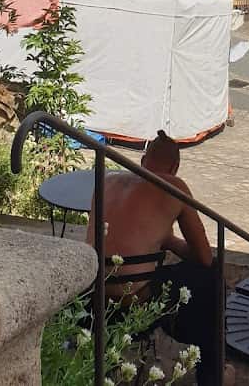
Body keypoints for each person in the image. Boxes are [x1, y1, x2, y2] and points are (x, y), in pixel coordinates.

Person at [87, 130, 234, 386]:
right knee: (212, 278)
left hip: (90, 300)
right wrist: (171, 241)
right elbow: (203, 257)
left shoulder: (107, 179)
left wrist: (161, 239)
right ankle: (214, 375)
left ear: (143, 161)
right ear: (175, 167)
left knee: (160, 274)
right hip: (132, 305)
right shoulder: (173, 186)